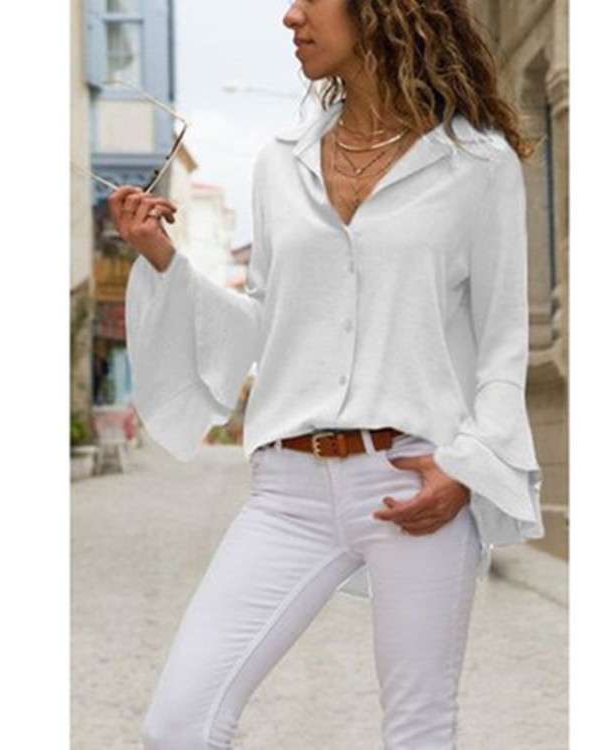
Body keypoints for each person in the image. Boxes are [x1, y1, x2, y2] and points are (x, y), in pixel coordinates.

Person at [108, 1, 545, 747]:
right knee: (178, 724)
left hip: (415, 481)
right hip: (288, 490)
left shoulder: (478, 163)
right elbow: (266, 320)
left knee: (418, 732)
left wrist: (466, 467)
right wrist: (163, 260)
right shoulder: (282, 162)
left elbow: (504, 343)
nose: (290, 16)